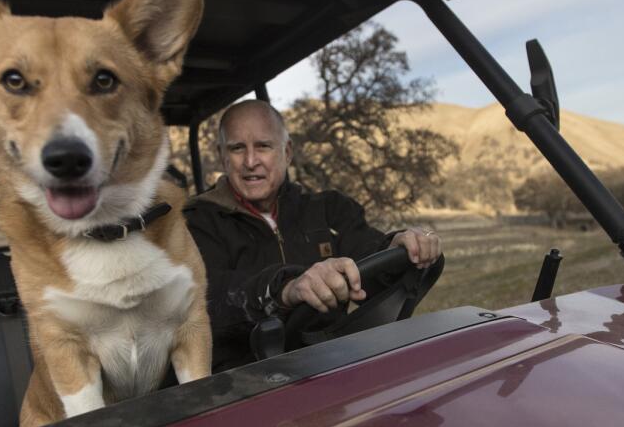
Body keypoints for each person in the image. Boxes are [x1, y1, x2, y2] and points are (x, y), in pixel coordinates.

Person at [184, 99, 442, 372]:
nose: (250, 161)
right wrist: (283, 289)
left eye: (263, 146)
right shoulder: (196, 221)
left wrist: (401, 244)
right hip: (242, 379)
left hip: (331, 366)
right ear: (222, 155)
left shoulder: (328, 209)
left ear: (287, 151)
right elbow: (205, 299)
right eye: (237, 148)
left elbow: (371, 252)